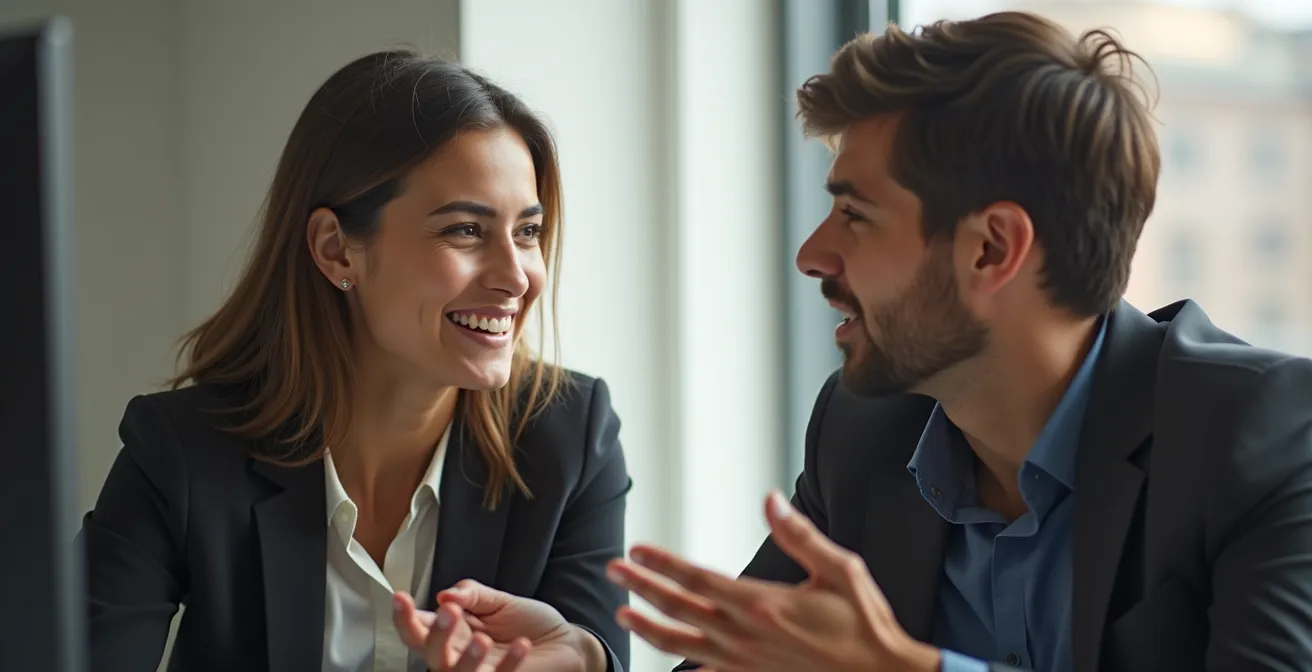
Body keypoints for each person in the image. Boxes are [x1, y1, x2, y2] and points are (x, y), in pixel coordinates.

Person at [606, 10, 1312, 672]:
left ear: (991, 249)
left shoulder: (1263, 434)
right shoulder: (863, 434)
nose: (812, 254)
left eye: (854, 215)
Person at [78, 50, 631, 672]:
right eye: (466, 231)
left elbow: (593, 648)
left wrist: (586, 660)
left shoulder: (571, 437)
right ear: (337, 250)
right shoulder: (181, 454)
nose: (517, 278)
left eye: (526, 232)